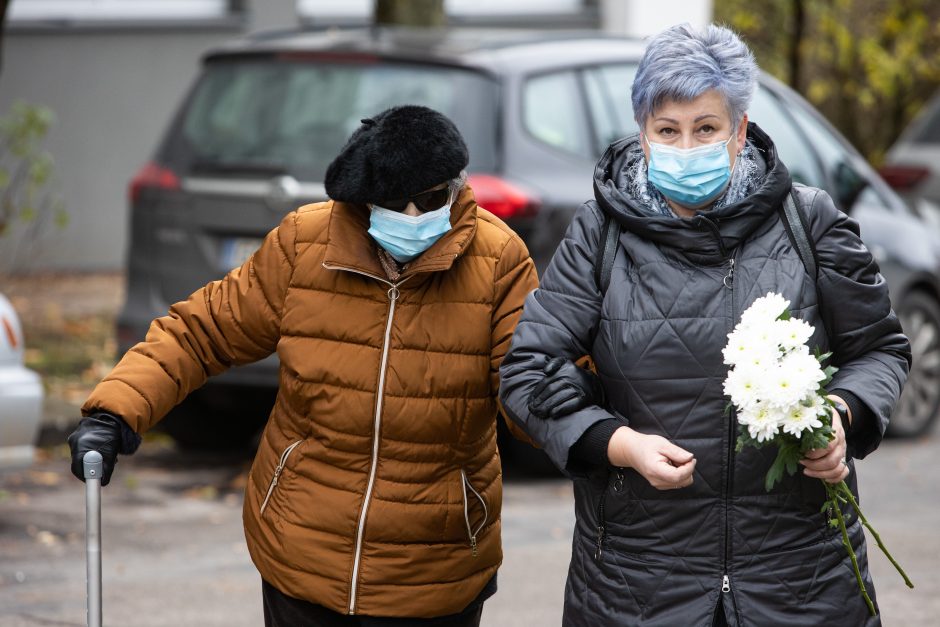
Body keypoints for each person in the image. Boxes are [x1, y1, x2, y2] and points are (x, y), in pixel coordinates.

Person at [498, 24, 911, 627]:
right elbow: (529, 372)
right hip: (634, 584)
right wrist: (619, 445)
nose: (686, 147)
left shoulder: (810, 222)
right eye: (668, 131)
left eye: (706, 128)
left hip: (803, 580)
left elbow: (879, 350)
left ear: (739, 131)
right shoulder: (599, 233)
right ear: (643, 134)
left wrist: (841, 416)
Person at [68, 105, 538, 626]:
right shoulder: (305, 243)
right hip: (301, 552)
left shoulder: (499, 260)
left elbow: (534, 382)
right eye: (391, 202)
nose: (410, 218)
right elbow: (202, 331)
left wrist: (592, 432)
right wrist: (114, 411)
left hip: (434, 568)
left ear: (454, 187)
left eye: (426, 200)